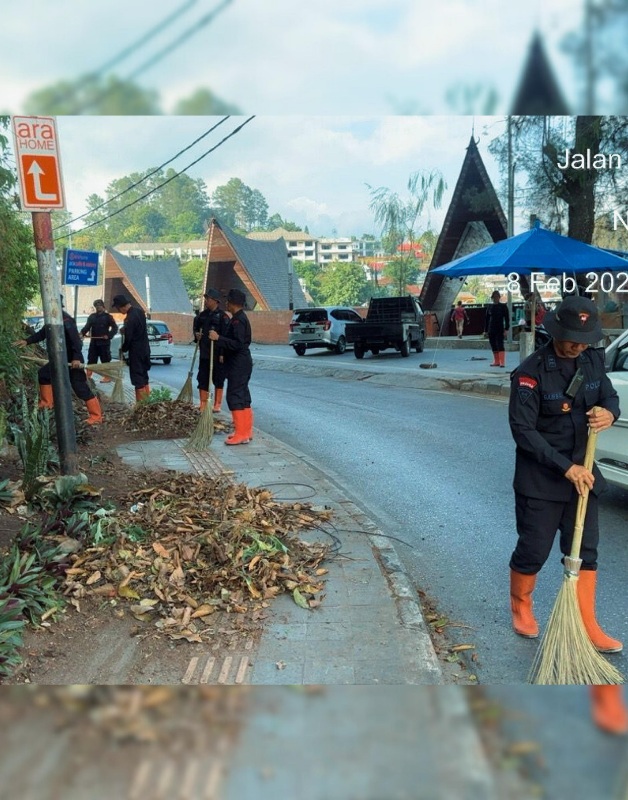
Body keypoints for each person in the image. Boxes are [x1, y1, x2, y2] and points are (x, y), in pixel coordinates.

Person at [508, 295, 621, 653]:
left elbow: (609, 397)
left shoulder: (590, 361)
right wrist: (565, 467)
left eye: (584, 339)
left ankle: (587, 623)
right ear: (555, 331)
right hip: (542, 480)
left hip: (583, 477)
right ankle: (521, 607)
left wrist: (610, 415)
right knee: (534, 549)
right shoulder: (530, 373)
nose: (577, 345)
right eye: (571, 338)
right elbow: (523, 432)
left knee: (586, 552)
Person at [14, 297, 103, 425]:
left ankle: (96, 416)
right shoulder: (52, 319)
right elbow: (42, 333)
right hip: (59, 359)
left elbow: (76, 341)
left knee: (79, 387)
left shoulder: (67, 320)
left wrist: (77, 357)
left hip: (72, 360)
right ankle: (47, 403)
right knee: (44, 375)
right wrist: (27, 341)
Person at [208, 288, 253, 445]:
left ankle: (241, 433)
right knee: (243, 396)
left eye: (228, 300)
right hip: (241, 362)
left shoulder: (238, 320)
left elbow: (238, 344)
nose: (226, 303)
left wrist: (218, 338)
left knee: (235, 396)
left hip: (238, 363)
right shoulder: (238, 318)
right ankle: (246, 431)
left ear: (233, 303)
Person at [110, 294, 151, 402]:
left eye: (118, 308)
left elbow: (129, 337)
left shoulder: (129, 318)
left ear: (122, 306)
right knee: (144, 376)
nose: (119, 311)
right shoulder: (139, 312)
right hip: (145, 348)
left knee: (137, 378)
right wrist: (126, 328)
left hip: (136, 351)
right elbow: (137, 328)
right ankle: (148, 401)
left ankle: (141, 404)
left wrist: (123, 349)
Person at [195, 289, 230, 412]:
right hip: (205, 352)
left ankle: (217, 404)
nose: (206, 301)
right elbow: (196, 328)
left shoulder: (223, 317)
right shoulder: (202, 315)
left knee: (218, 378)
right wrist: (196, 335)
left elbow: (226, 336)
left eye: (208, 299)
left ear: (216, 301)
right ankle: (203, 403)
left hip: (218, 353)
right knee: (202, 378)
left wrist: (222, 353)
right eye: (205, 299)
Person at [80, 300, 118, 383]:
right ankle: (88, 376)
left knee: (105, 360)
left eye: (99, 305)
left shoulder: (108, 317)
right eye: (96, 306)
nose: (98, 307)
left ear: (103, 306)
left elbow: (115, 328)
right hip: (94, 343)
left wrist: (108, 335)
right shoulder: (92, 317)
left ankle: (107, 377)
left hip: (104, 343)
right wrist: (81, 333)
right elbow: (87, 327)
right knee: (91, 360)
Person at [484, 290, 509, 367]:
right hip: (491, 328)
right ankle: (496, 361)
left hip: (500, 328)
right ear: (492, 298)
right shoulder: (489, 307)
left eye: (497, 297)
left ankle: (502, 362)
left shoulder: (503, 306)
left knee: (500, 344)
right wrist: (485, 330)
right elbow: (487, 319)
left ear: (499, 297)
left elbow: (507, 318)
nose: (495, 298)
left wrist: (506, 329)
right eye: (494, 297)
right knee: (493, 344)